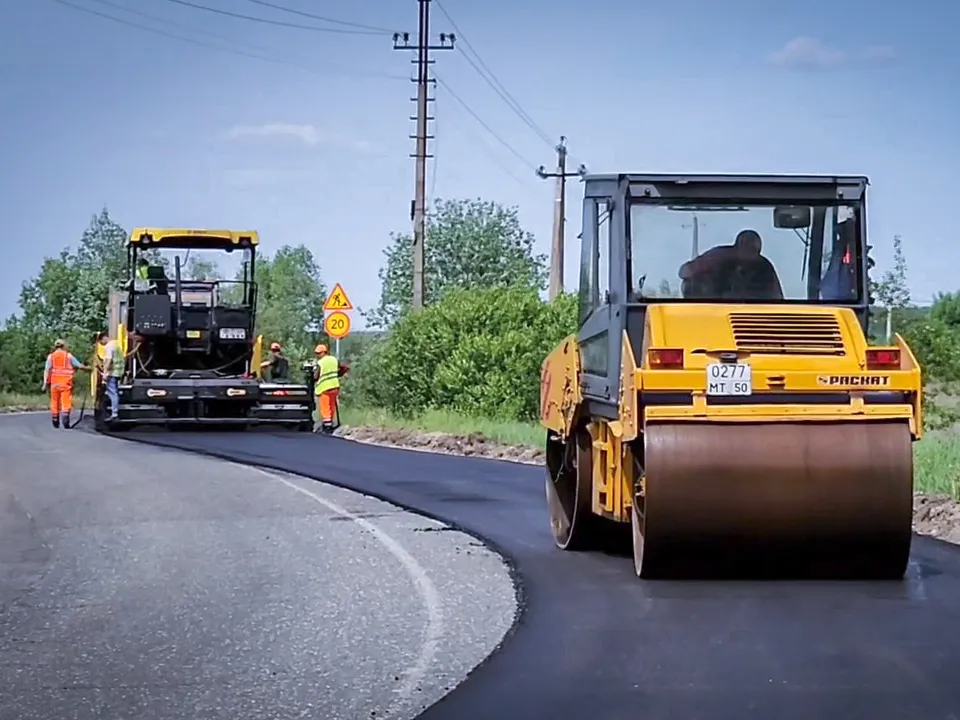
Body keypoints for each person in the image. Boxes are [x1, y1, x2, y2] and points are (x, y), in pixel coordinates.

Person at [679, 229, 783, 300]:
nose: (749, 252)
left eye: (753, 249)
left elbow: (777, 298)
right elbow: (684, 272)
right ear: (737, 246)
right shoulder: (718, 257)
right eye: (745, 246)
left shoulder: (764, 268)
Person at [42, 339, 90, 429]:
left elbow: (47, 370)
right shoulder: (68, 356)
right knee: (65, 402)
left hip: (54, 384)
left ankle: (55, 419)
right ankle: (65, 419)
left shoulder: (51, 357)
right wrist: (89, 369)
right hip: (65, 383)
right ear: (64, 346)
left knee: (54, 402)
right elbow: (79, 366)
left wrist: (45, 383)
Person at [313, 343, 344, 434]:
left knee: (325, 407)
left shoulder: (320, 362)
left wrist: (313, 374)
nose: (317, 355)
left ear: (323, 352)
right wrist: (339, 374)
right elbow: (342, 367)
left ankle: (327, 426)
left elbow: (316, 376)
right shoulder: (334, 359)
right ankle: (331, 423)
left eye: (318, 353)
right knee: (332, 405)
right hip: (334, 385)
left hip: (324, 387)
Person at [97, 331, 126, 421]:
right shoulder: (116, 345)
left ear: (104, 338)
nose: (102, 344)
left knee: (112, 393)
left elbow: (109, 360)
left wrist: (105, 373)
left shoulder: (109, 346)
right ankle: (115, 412)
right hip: (118, 372)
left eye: (101, 342)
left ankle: (114, 414)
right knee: (115, 392)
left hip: (112, 372)